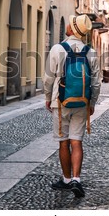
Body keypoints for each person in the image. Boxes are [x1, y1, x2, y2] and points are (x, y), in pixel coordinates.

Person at [43, 14, 101, 198]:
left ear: (72, 29)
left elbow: (48, 79)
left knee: (63, 142)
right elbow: (96, 83)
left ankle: (66, 179)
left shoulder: (57, 49)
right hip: (82, 103)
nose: (67, 24)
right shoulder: (91, 52)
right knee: (77, 141)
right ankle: (77, 179)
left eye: (70, 23)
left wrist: (47, 97)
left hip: (60, 102)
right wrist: (91, 103)